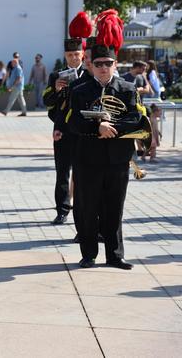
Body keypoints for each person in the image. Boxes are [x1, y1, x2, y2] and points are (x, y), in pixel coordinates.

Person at [68, 32, 144, 270]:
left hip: (117, 158)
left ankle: (114, 255)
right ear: (91, 65)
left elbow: (136, 119)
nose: (103, 68)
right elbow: (73, 122)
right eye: (98, 64)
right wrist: (97, 126)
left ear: (115, 64)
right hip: (88, 158)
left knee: (114, 207)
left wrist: (112, 128)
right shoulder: (80, 90)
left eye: (107, 64)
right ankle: (89, 254)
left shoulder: (127, 89)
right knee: (88, 207)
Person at [42, 12, 92, 227]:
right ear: (65, 55)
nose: (73, 58)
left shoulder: (90, 75)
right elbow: (48, 103)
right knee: (62, 172)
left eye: (77, 54)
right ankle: (62, 209)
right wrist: (55, 90)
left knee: (83, 172)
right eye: (70, 54)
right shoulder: (57, 75)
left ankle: (81, 209)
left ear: (82, 55)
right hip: (62, 129)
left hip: (83, 130)